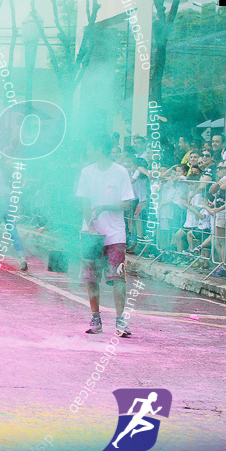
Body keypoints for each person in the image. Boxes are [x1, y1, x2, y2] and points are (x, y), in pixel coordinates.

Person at [77, 135, 136, 338]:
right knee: (91, 277)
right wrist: (91, 227)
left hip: (115, 233)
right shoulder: (86, 172)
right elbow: (84, 202)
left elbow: (128, 203)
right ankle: (96, 318)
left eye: (90, 148)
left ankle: (121, 320)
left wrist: (104, 207)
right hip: (91, 232)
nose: (87, 152)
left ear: (100, 149)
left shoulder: (120, 172)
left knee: (118, 277)